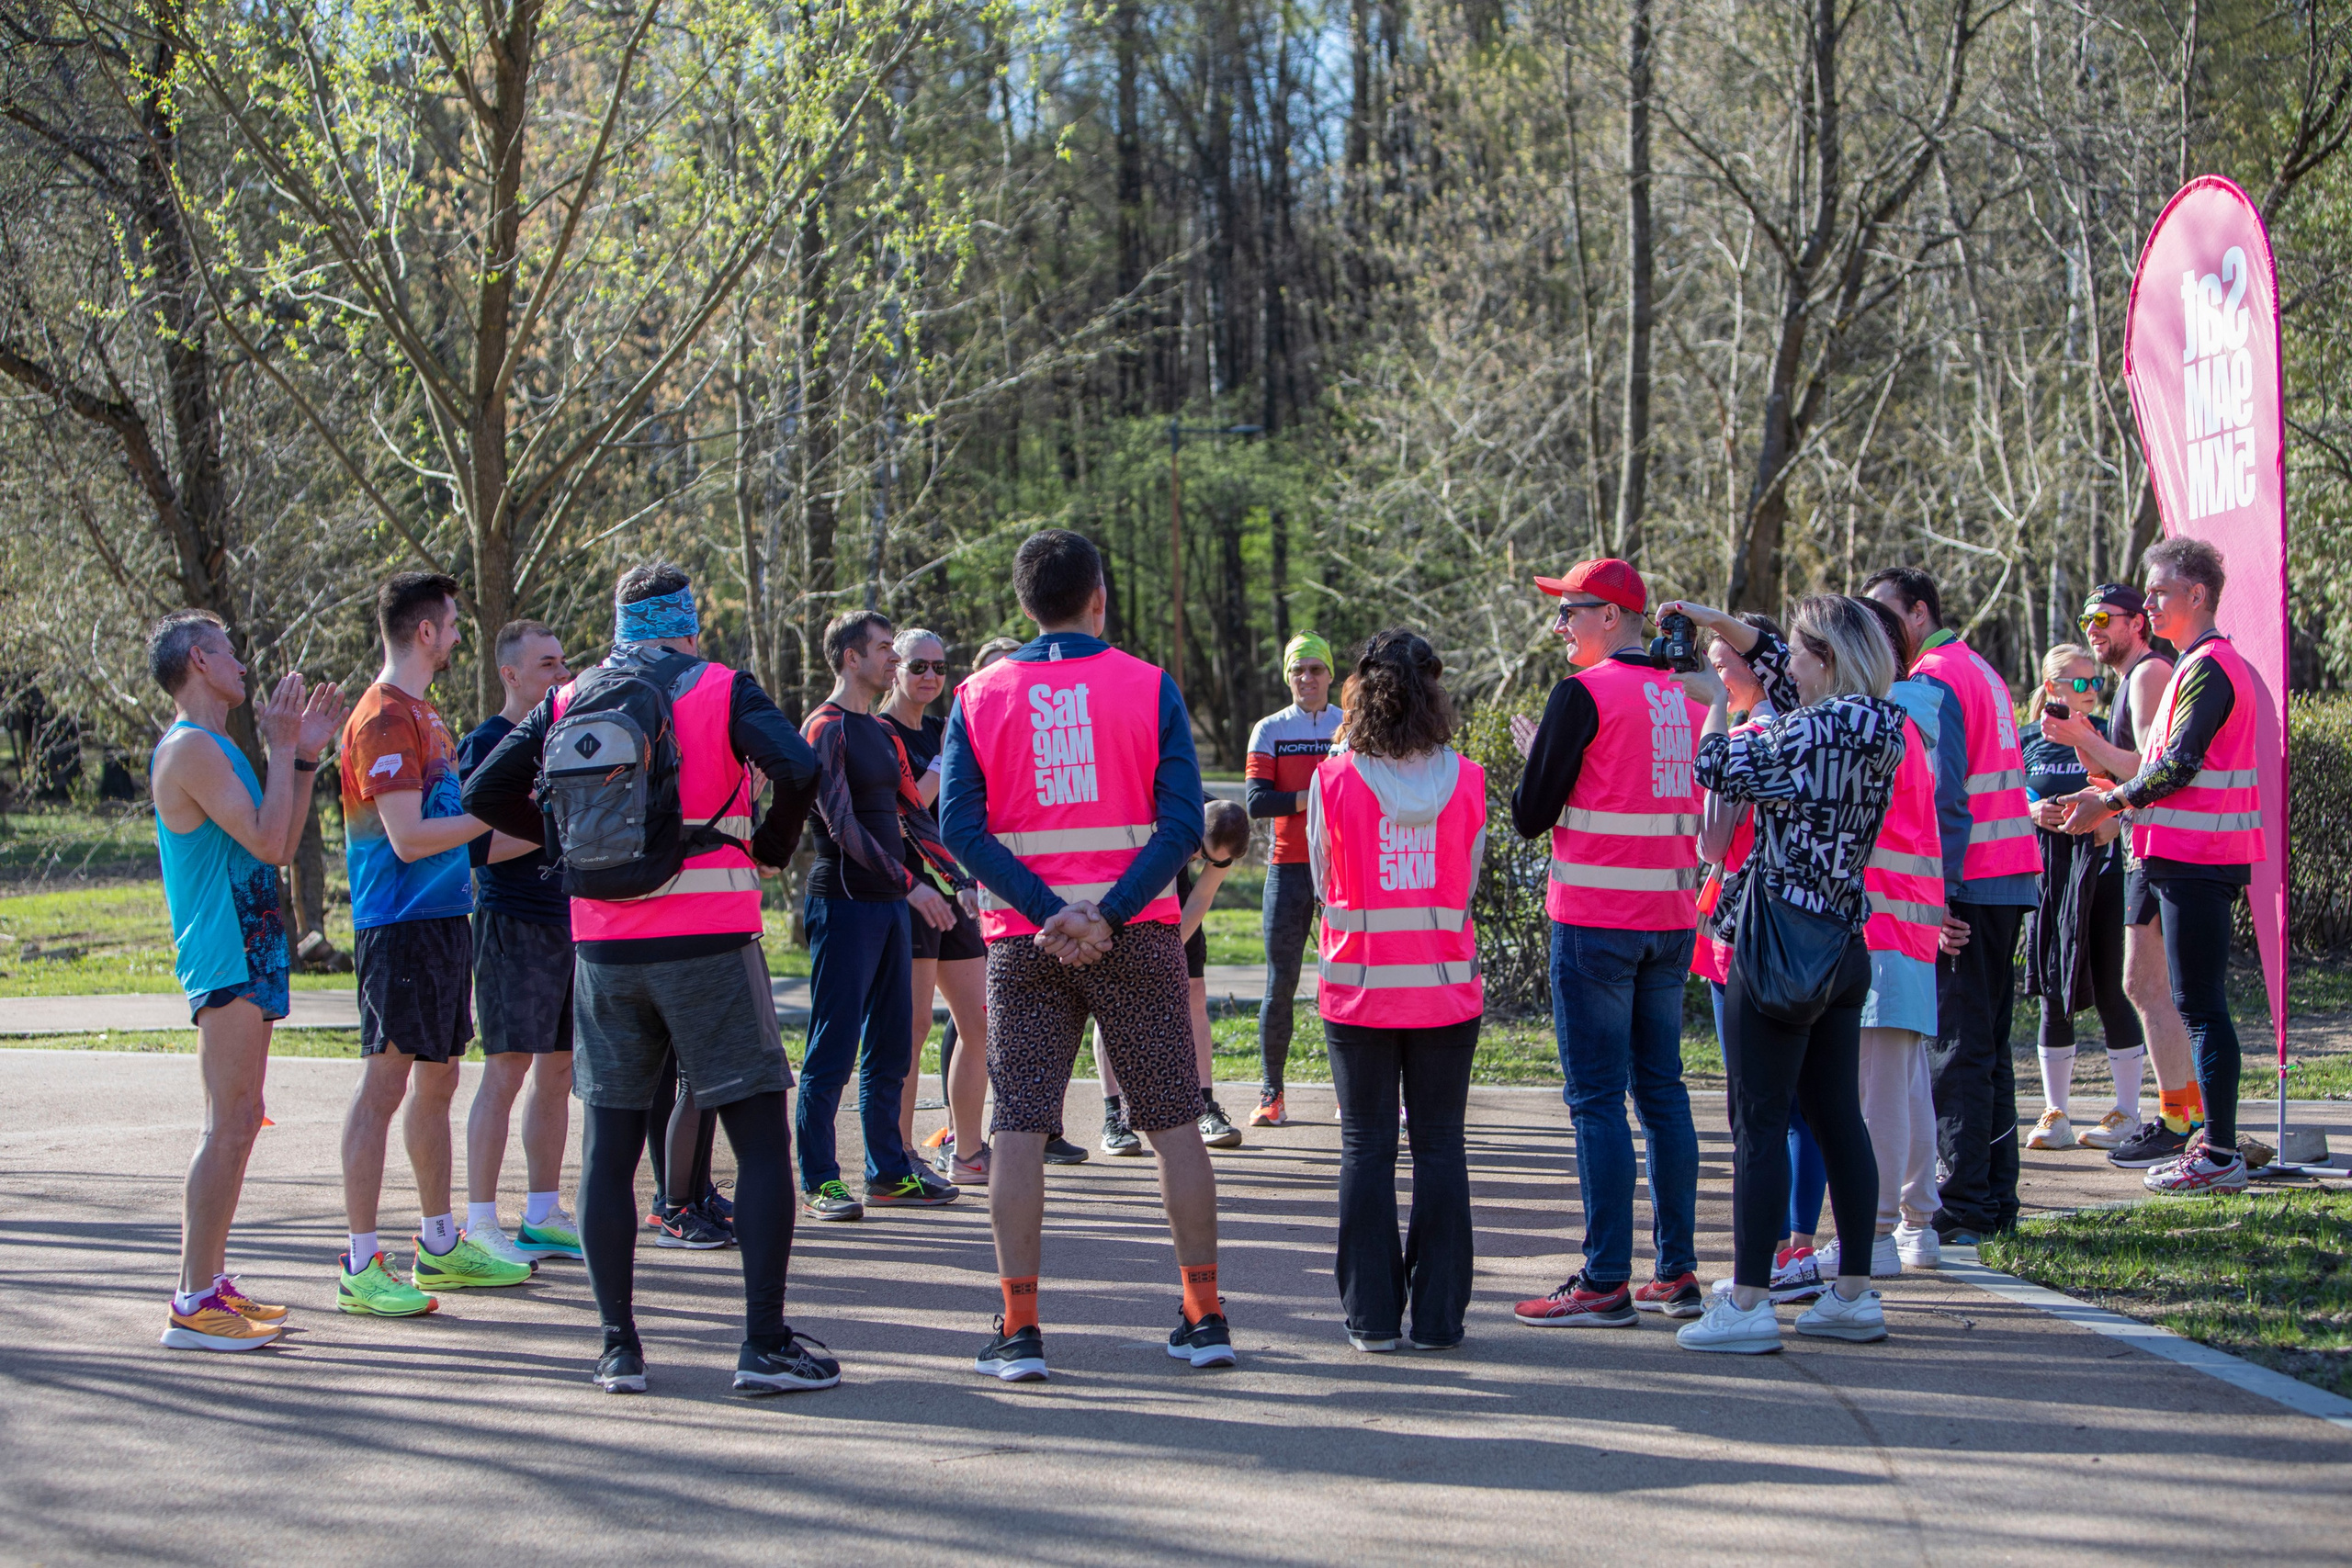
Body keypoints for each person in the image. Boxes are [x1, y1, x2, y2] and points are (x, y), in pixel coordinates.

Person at [462, 560, 840, 1394]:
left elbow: (484, 788)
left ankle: (617, 1345)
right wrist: (771, 845)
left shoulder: (569, 697)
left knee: (608, 1145)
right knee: (757, 1138)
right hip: (708, 938)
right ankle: (764, 1341)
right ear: (688, 623)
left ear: (622, 623)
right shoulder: (716, 685)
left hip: (602, 947)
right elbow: (801, 767)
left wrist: (561, 842)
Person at [939, 528, 1231, 1382]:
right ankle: (1204, 1312)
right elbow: (1182, 823)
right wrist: (1104, 911)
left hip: (1023, 942)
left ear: (1024, 605)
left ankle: (1020, 1328)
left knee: (1019, 1126)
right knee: (1176, 1122)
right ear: (1098, 596)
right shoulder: (1148, 685)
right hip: (1135, 931)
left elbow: (961, 828)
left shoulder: (979, 693)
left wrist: (1049, 911)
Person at [1662, 596, 1906, 1354]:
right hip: (1842, 941)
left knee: (1758, 1125)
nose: (1783, 666)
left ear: (1825, 663)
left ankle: (1747, 1300)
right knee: (1838, 1116)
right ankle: (1854, 1293)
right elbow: (1771, 658)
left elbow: (1711, 765)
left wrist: (1715, 710)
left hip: (1775, 944)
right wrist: (1714, 620)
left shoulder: (1797, 735)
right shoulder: (1884, 727)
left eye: (1799, 655)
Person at [1508, 558, 1703, 1327]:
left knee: (1595, 1099)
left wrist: (1538, 757)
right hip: (1670, 919)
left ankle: (1605, 1277)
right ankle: (1677, 1271)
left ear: (1613, 616)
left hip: (1597, 922)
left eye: (1571, 611)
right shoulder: (1688, 696)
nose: (1560, 624)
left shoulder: (1581, 694)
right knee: (1662, 1092)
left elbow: (1530, 815)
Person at [149, 613, 345, 1350]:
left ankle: (212, 1282)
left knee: (243, 1115)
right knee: (227, 1121)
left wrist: (299, 759)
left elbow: (280, 843)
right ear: (200, 660)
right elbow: (267, 837)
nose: (242, 663)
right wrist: (283, 746)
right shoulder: (192, 748)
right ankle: (192, 1300)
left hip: (252, 944)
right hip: (223, 952)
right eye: (229, 651)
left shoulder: (220, 745)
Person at [336, 572, 531, 1316]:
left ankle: (440, 1246)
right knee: (383, 1086)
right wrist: (492, 814)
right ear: (424, 631)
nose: (457, 634)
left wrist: (536, 824)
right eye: (451, 623)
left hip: (447, 923)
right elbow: (411, 836)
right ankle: (360, 1261)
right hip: (397, 927)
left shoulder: (427, 713)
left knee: (439, 1080)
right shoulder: (384, 716)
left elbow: (450, 826)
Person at [2054, 537, 2262, 1196]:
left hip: (2201, 860)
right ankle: (2210, 1142)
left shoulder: (2209, 667)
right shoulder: (2196, 665)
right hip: (2187, 858)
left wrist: (2107, 800)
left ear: (2197, 595)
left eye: (2159, 591)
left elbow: (2176, 765)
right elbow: (2167, 765)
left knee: (2200, 1006)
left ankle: (2218, 1151)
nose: (2148, 603)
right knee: (2190, 1001)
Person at [1308, 631, 1486, 1353]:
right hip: (1445, 989)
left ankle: (1372, 1316)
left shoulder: (1335, 778)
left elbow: (1323, 881)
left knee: (1366, 1147)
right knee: (1441, 1147)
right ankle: (1440, 1316)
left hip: (1360, 988)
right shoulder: (1468, 779)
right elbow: (1467, 881)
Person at [1863, 567, 2039, 1244]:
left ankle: (1964, 1201)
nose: (1877, 632)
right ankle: (1994, 1196)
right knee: (1988, 1047)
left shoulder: (1931, 679)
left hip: (1969, 883)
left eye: (1885, 615)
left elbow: (1944, 798)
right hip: (2007, 873)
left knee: (1957, 1049)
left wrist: (1942, 898)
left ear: (1918, 611)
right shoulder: (1979, 668)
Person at [796, 611, 963, 1219]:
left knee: (893, 1044)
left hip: (891, 906)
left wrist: (959, 881)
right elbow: (841, 828)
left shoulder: (885, 735)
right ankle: (820, 1178)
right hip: (843, 906)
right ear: (850, 658)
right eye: (885, 650)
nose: (895, 660)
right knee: (833, 1048)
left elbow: (914, 819)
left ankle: (888, 1172)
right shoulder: (823, 728)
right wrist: (910, 887)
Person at [1691, 615, 1826, 1308]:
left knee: (1757, 1106)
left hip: (1744, 930)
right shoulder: (1822, 729)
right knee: (1811, 1103)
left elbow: (1712, 843)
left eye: (1726, 664)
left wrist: (1715, 724)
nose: (1720, 675)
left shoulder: (1748, 737)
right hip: (1810, 927)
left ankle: (1774, 1254)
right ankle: (1800, 1245)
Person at [2042, 584, 2195, 1164]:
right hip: (2141, 846)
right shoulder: (2136, 676)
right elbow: (2125, 780)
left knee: (2148, 988)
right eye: (2087, 618)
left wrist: (2086, 739)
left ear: (2138, 624)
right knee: (2147, 987)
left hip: (2161, 850)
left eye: (2106, 618)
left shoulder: (2151, 673)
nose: (2094, 627)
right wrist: (2094, 790)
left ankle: (2182, 1119)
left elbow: (2158, 774)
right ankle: (2182, 1115)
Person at [454, 620, 584, 1268]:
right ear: (510, 674)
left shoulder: (568, 738)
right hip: (513, 922)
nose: (560, 675)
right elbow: (478, 846)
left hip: (570, 922)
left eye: (563, 663)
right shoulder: (487, 743)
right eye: (546, 665)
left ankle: (542, 1212)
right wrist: (560, 823)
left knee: (558, 1071)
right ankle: (480, 1221)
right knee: (506, 1070)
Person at [1846, 592, 1950, 1277]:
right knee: (1905, 1080)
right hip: (1906, 920)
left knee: (1884, 1084)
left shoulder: (1884, 725)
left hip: (1884, 923)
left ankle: (1879, 1231)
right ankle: (1912, 1217)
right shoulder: (1913, 719)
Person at [877, 627, 994, 1185]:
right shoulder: (880, 733)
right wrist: (947, 759)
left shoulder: (942, 731)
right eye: (918, 666)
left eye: (939, 669)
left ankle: (967, 1151)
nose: (930, 677)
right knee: (914, 1026)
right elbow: (905, 807)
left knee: (980, 1023)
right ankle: (898, 1156)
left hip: (953, 892)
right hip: (908, 896)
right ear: (893, 669)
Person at [2018, 643, 2145, 1152]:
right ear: (2052, 688)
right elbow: (2007, 797)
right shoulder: (2026, 740)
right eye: (2081, 682)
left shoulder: (2109, 738)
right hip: (2048, 881)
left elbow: (2140, 787)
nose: (2093, 690)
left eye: (2096, 681)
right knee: (2054, 991)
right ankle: (2057, 1114)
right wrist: (2034, 814)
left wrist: (2110, 820)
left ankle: (2129, 1114)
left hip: (2105, 878)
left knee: (2114, 989)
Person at [1101, 799, 1253, 1153]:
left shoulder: (1223, 835)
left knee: (1194, 992)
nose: (1203, 861)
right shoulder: (1163, 805)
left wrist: (1167, 950)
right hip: (1128, 874)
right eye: (1202, 853)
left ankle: (1205, 1107)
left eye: (1212, 860)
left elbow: (1201, 898)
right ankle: (1115, 1117)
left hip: (1175, 886)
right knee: (1110, 992)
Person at [1244, 633, 1343, 1127]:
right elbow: (1257, 802)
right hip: (1288, 867)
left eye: (1316, 670)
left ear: (1331, 675)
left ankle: (1354, 1093)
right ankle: (1271, 1093)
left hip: (1343, 869)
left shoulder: (1348, 725)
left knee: (1348, 982)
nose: (1307, 679)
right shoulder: (1269, 729)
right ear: (1287, 676)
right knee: (1280, 983)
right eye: (1298, 670)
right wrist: (1316, 793)